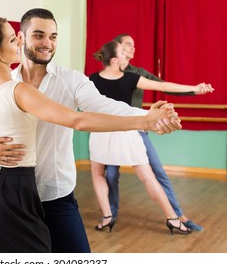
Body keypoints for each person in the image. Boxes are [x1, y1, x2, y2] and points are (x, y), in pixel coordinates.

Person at [0, 8, 181, 253]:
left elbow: (103, 107)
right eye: (38, 35)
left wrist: (148, 117)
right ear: (20, 37)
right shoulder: (1, 82)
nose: (47, 43)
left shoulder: (71, 80)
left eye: (53, 36)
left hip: (54, 194)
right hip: (8, 197)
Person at [88, 40, 213, 234]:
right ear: (114, 60)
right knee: (147, 176)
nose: (128, 53)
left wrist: (194, 88)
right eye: (123, 51)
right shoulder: (130, 78)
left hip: (101, 129)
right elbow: (164, 87)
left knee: (98, 174)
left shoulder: (92, 79)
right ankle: (172, 218)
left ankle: (107, 216)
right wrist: (194, 88)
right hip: (127, 128)